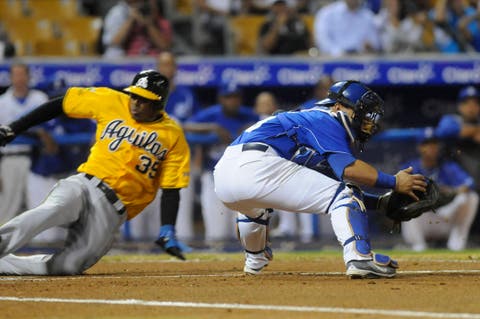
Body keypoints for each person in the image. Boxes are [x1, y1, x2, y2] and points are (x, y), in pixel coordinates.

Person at [213, 80, 426, 278]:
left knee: (254, 208)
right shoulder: (326, 118)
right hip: (257, 166)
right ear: (339, 107)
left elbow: (334, 183)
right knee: (345, 195)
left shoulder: (309, 122)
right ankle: (359, 258)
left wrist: (378, 202)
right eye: (362, 112)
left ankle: (255, 259)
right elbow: (348, 171)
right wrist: (395, 182)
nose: (367, 120)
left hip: (225, 174)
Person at [0, 70, 190, 275]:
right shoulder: (111, 100)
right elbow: (61, 103)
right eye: (134, 95)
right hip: (85, 185)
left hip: (113, 211)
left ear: (159, 103)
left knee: (69, 266)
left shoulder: (173, 136)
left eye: (144, 99)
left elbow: (172, 188)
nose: (135, 102)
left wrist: (167, 229)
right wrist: (15, 127)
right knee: (51, 210)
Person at [125, 52, 199, 244]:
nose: (167, 69)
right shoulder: (144, 94)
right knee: (140, 219)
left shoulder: (185, 94)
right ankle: (139, 260)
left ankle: (176, 252)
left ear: (175, 68)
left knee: (179, 217)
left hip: (174, 159)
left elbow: (191, 125)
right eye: (163, 65)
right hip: (144, 160)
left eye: (170, 65)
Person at [184, 82, 259, 247]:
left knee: (241, 230)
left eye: (235, 97)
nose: (232, 101)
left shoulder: (248, 116)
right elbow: (186, 130)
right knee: (216, 232)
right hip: (212, 176)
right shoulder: (211, 115)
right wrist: (212, 131)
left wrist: (244, 133)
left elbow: (266, 124)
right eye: (228, 97)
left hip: (241, 179)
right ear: (220, 99)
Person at [401, 137, 478, 251]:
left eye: (434, 144)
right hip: (422, 221)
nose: (432, 148)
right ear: (420, 148)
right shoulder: (411, 167)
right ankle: (418, 245)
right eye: (427, 144)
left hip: (445, 219)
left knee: (472, 197)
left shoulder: (447, 167)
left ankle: (456, 244)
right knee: (403, 195)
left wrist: (452, 191)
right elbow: (397, 187)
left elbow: (470, 183)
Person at [0, 63, 49, 225]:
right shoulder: (2, 102)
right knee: (8, 205)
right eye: (16, 75)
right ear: (11, 78)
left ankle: (35, 246)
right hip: (11, 157)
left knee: (37, 205)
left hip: (38, 159)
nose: (19, 79)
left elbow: (50, 129)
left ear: (28, 77)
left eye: (22, 75)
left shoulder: (39, 98)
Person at [435, 85, 480, 193]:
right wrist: (473, 131)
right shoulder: (451, 120)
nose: (471, 107)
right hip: (456, 182)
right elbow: (442, 132)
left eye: (475, 103)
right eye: (466, 103)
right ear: (460, 106)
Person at [102, 0, 173, 58]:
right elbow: (115, 42)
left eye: (152, 6)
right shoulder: (126, 18)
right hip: (131, 61)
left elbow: (164, 46)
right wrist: (131, 19)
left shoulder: (163, 23)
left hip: (154, 60)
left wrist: (148, 24)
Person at [313, 0, 380, 56]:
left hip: (360, 60)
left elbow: (375, 43)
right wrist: (339, 53)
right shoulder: (327, 13)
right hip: (332, 59)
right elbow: (322, 41)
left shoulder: (368, 16)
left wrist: (370, 46)